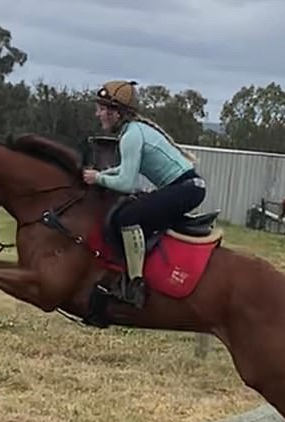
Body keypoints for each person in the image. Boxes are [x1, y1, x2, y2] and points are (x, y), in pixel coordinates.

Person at [82, 80, 207, 308]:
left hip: (186, 188)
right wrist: (101, 174)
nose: (97, 113)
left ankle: (136, 284)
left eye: (101, 108)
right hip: (187, 187)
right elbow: (122, 170)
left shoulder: (131, 136)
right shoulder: (133, 132)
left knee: (127, 217)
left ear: (116, 113)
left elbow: (127, 183)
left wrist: (97, 178)